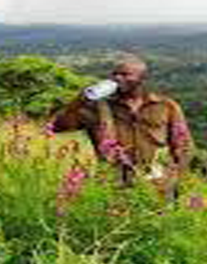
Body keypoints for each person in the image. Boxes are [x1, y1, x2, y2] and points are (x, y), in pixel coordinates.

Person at [50, 55, 193, 199]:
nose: (117, 78)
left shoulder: (166, 106)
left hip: (156, 182)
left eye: (125, 75)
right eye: (115, 74)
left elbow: (183, 145)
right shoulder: (96, 108)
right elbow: (58, 127)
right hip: (113, 182)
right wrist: (78, 101)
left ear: (142, 79)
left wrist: (175, 179)